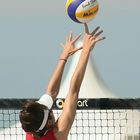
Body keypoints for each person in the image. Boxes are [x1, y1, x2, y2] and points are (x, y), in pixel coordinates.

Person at [19, 23, 105, 140]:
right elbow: (73, 90)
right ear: (48, 122)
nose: (50, 110)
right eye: (49, 111)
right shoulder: (59, 132)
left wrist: (64, 56)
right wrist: (85, 51)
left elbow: (51, 92)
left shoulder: (31, 127)